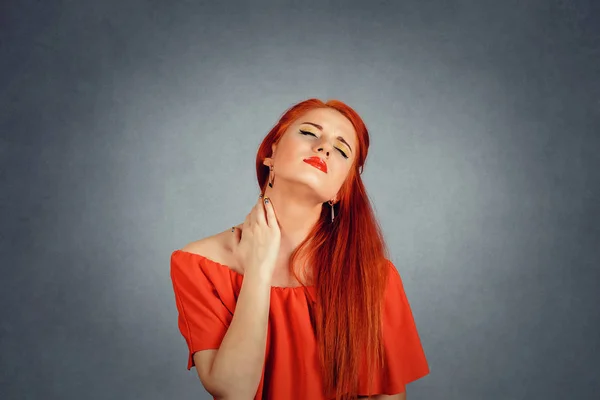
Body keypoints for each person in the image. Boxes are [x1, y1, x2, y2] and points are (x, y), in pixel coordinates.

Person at [170, 98, 429, 400]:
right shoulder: (198, 263)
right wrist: (259, 269)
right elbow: (233, 391)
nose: (324, 148)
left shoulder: (375, 276)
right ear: (271, 152)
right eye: (309, 133)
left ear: (340, 191)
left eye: (342, 150)